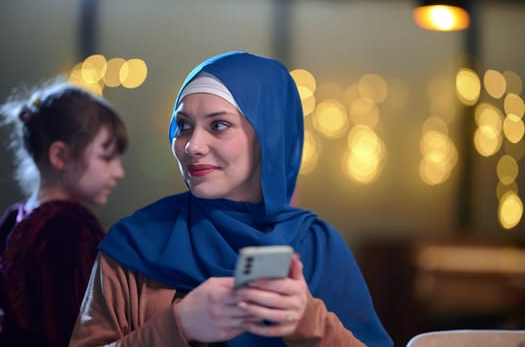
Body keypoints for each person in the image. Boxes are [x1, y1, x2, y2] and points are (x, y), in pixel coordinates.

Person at [70, 51, 393, 346]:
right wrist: (178, 324)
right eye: (183, 126)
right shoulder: (137, 241)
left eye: (219, 125)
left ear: (269, 138)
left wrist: (309, 322)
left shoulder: (316, 246)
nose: (192, 146)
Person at [0, 79, 128, 346]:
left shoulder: (14, 217)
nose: (119, 172)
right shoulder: (69, 229)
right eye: (107, 157)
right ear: (60, 155)